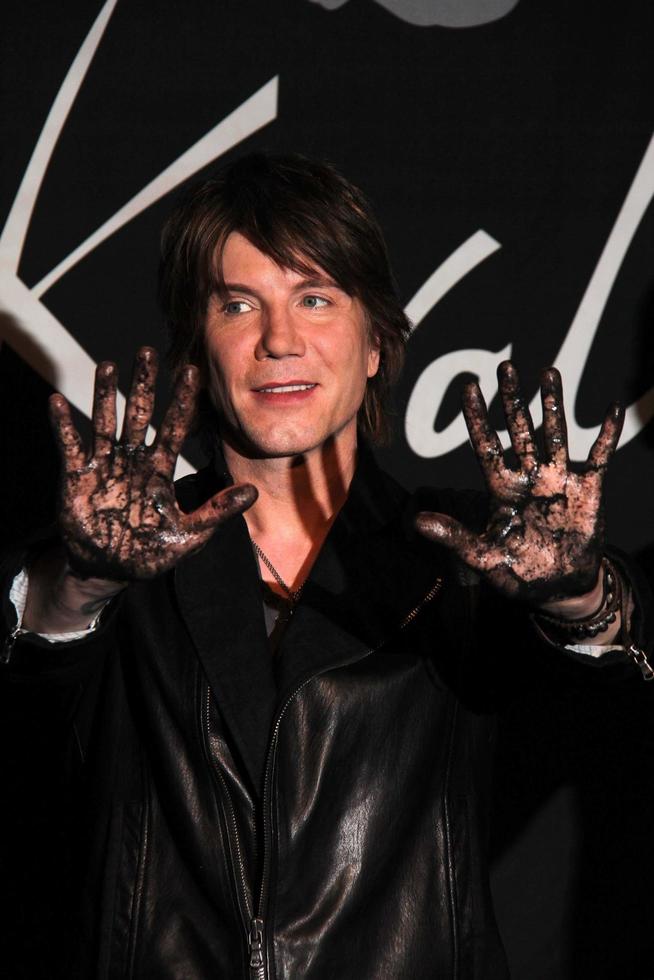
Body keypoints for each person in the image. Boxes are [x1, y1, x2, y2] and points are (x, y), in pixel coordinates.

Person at [1, 153, 651, 980]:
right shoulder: (117, 556)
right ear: (197, 346)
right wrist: (81, 584)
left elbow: (624, 682)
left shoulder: (462, 555)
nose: (279, 340)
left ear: (376, 342)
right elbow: (28, 717)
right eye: (239, 304)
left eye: (315, 299)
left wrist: (578, 594)